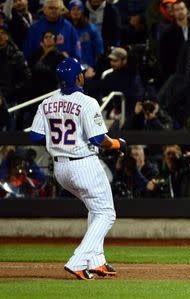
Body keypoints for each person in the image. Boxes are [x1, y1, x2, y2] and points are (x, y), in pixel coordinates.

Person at [30, 57, 127, 280]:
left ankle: (97, 262)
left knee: (95, 209)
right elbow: (98, 138)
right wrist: (117, 144)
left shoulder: (47, 103)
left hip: (60, 169)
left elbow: (35, 135)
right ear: (79, 77)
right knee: (106, 213)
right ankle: (78, 260)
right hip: (84, 163)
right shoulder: (88, 102)